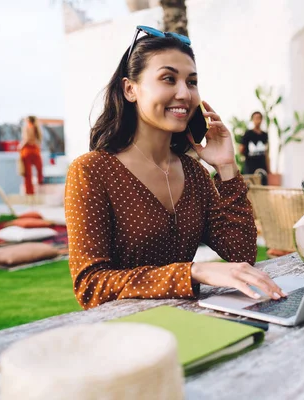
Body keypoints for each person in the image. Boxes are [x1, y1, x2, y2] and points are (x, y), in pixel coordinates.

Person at [64, 26, 285, 310]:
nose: (184, 93)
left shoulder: (194, 174)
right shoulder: (92, 171)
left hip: (191, 324)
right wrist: (193, 271)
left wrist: (227, 168)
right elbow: (90, 286)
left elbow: (241, 253)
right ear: (130, 89)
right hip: (125, 335)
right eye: (168, 79)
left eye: (191, 82)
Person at [18, 116, 43, 203]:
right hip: (35, 150)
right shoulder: (37, 129)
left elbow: (27, 139)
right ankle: (39, 184)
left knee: (28, 173)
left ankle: (29, 191)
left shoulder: (27, 127)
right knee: (39, 170)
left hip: (27, 151)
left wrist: (20, 146)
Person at [240, 111, 270, 184]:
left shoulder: (264, 135)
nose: (258, 120)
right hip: (250, 166)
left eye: (259, 118)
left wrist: (269, 168)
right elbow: (241, 149)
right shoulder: (248, 134)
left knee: (263, 185)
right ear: (252, 120)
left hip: (262, 166)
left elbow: (266, 152)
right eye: (256, 118)